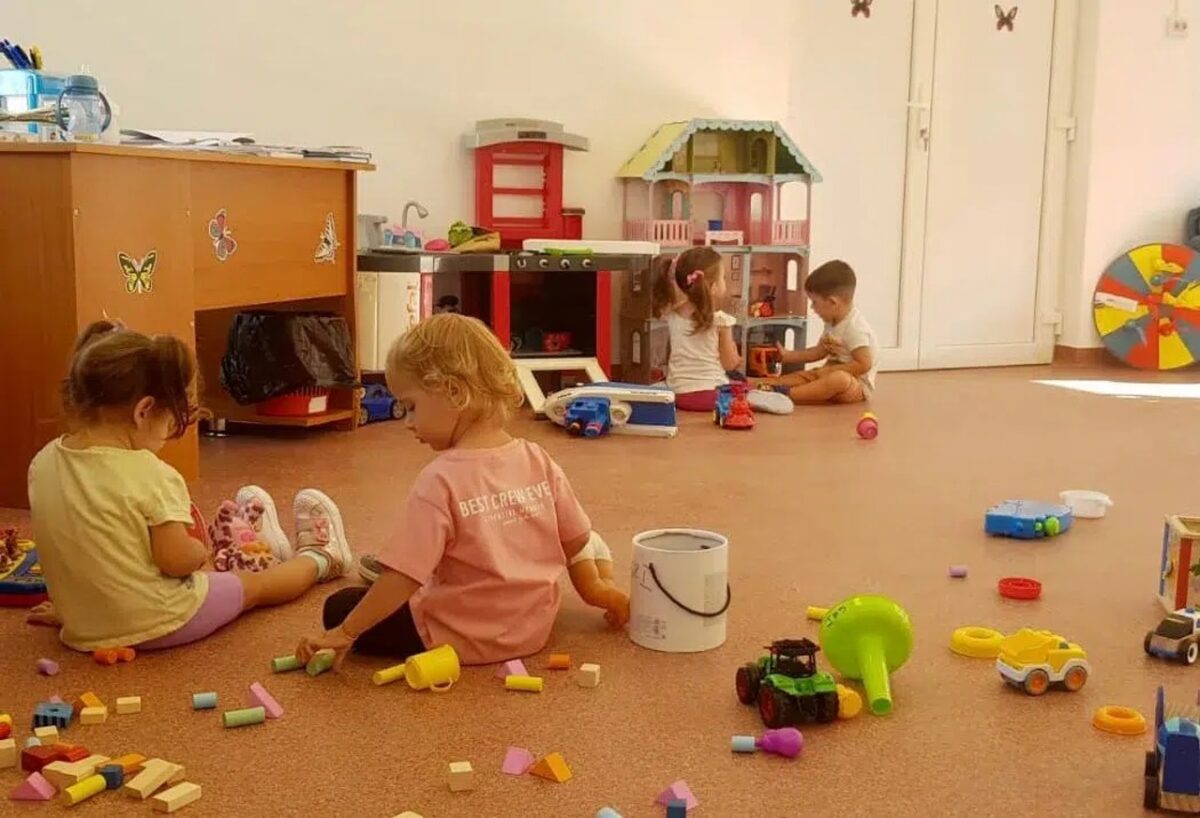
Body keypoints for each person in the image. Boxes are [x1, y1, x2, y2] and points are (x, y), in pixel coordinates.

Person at [296, 313, 629, 668]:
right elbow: (577, 541)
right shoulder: (538, 459)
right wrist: (589, 586)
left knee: (340, 606)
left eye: (412, 407)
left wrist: (346, 632)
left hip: (454, 638)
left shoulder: (439, 479)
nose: (407, 423)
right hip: (531, 630)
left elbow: (403, 577)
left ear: (454, 392)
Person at [26, 321, 352, 651]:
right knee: (255, 586)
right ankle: (322, 557)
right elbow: (175, 561)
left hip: (84, 625)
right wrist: (199, 551)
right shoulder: (151, 474)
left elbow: (75, 542)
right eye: (169, 422)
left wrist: (72, 611)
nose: (166, 437)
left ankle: (261, 545)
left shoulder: (43, 462)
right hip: (158, 621)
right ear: (144, 411)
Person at [650, 246, 792, 414]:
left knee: (659, 385)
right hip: (714, 395)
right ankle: (751, 398)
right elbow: (729, 363)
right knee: (740, 383)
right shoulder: (720, 320)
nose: (725, 282)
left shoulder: (673, 315)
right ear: (714, 286)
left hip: (679, 394)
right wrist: (736, 357)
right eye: (723, 278)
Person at [767, 259, 879, 404]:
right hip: (830, 373)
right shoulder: (831, 322)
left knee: (838, 379)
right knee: (806, 376)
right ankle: (763, 385)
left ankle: (786, 395)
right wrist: (789, 356)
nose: (812, 308)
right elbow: (819, 352)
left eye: (815, 302)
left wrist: (831, 371)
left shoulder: (855, 328)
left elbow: (864, 364)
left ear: (832, 302)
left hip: (856, 385)